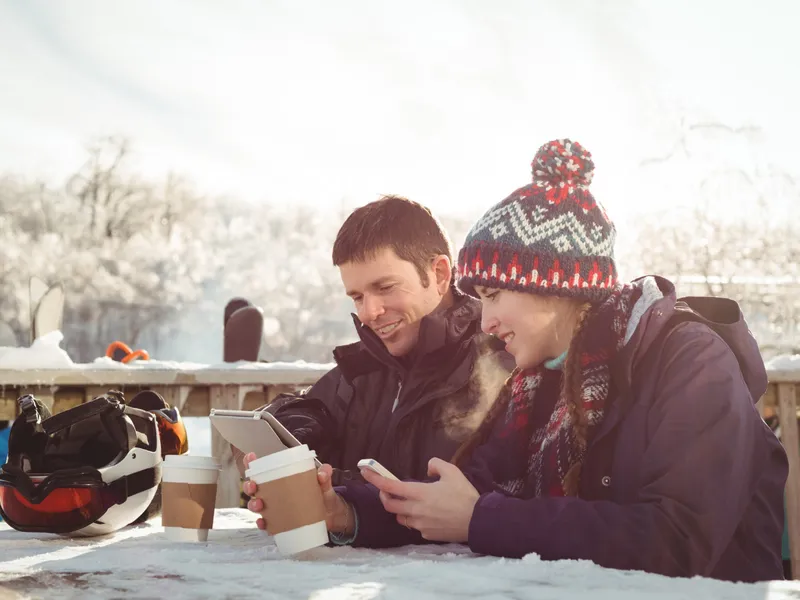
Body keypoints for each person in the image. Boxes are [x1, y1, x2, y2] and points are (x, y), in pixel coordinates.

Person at [248, 139, 789, 582]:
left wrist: (484, 520)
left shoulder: (688, 361)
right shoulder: (540, 384)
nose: (484, 322)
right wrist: (346, 513)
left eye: (494, 297)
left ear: (554, 288)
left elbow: (679, 540)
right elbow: (459, 500)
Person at [237, 195, 513, 493]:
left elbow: (457, 497)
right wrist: (289, 423)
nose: (369, 312)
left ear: (440, 274)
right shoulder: (362, 369)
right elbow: (312, 405)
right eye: (357, 297)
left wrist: (339, 496)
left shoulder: (503, 364)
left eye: (385, 287)